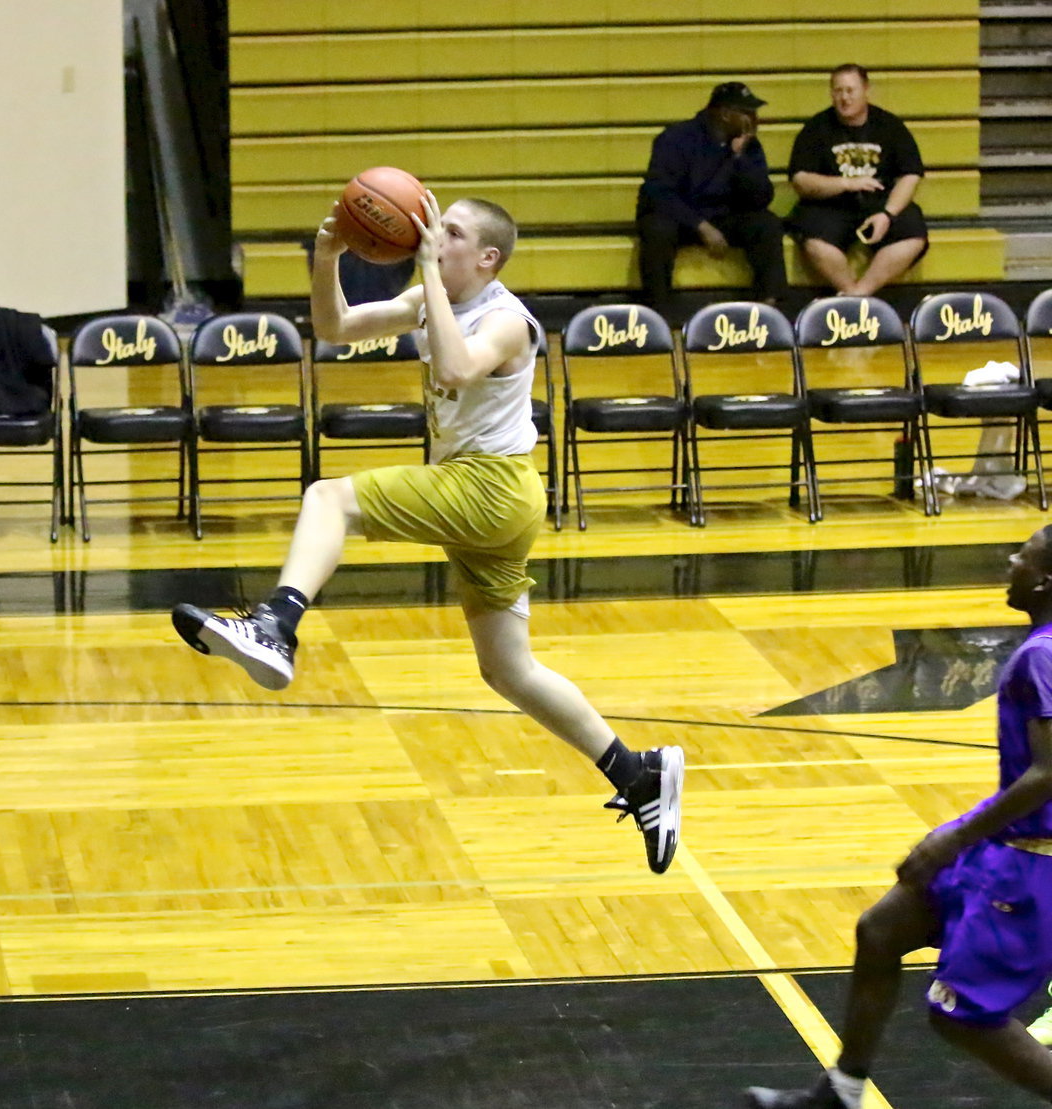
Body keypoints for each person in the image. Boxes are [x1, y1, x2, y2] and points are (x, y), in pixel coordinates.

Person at [171, 191, 684, 875]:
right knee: (509, 669)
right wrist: (327, 259)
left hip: (491, 487)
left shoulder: (507, 321)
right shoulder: (430, 298)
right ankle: (636, 772)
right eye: (436, 225)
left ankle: (275, 624)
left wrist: (430, 287)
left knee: (331, 498)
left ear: (488, 257)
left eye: (453, 231)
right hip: (490, 498)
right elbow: (335, 326)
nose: (434, 235)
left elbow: (454, 367)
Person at [745, 524, 1052, 1108]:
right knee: (881, 930)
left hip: (1029, 863)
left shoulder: (1042, 656)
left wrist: (953, 835)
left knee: (963, 1016)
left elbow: (1049, 773)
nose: (1010, 561)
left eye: (1022, 555)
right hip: (999, 848)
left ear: (1043, 580)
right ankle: (840, 1093)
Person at [635, 80, 787, 317]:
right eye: (747, 112)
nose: (755, 118)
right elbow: (659, 193)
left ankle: (769, 306)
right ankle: (657, 312)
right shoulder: (676, 138)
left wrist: (740, 159)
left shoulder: (748, 145)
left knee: (767, 224)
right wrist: (701, 226)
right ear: (726, 114)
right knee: (656, 228)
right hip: (683, 216)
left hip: (724, 215)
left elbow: (761, 198)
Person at [787, 64, 928, 296]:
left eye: (850, 91)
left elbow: (911, 175)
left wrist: (888, 214)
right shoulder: (815, 128)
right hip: (831, 205)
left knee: (913, 233)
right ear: (831, 93)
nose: (844, 98)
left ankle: (859, 294)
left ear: (866, 90)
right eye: (838, 91)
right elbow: (801, 180)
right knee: (811, 237)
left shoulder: (890, 126)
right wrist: (845, 183)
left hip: (878, 204)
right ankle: (850, 291)